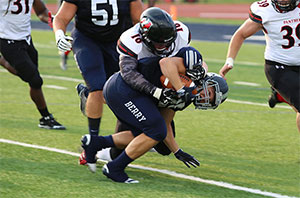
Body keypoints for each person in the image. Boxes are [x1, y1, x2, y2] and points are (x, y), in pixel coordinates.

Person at [80, 7, 228, 183]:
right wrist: (170, 90)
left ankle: (96, 144)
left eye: (210, 100)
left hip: (142, 93)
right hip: (127, 87)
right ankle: (114, 166)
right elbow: (145, 70)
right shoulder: (133, 41)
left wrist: (177, 151)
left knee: (156, 137)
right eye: (209, 93)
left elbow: (166, 120)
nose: (164, 47)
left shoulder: (185, 51)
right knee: (153, 131)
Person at [53, 0, 143, 161]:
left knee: (123, 92)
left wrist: (137, 43)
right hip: (86, 40)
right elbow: (61, 17)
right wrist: (59, 34)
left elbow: (138, 20)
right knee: (97, 87)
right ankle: (93, 140)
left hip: (117, 41)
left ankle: (88, 96)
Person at [219, 0, 300, 132]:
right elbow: (241, 34)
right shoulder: (264, 10)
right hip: (279, 67)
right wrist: (229, 60)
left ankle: (280, 96)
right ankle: (281, 93)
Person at [0, 0, 66, 130]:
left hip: (26, 39)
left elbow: (41, 12)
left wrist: (54, 22)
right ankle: (46, 117)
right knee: (35, 80)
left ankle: (45, 119)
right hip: (7, 39)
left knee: (32, 79)